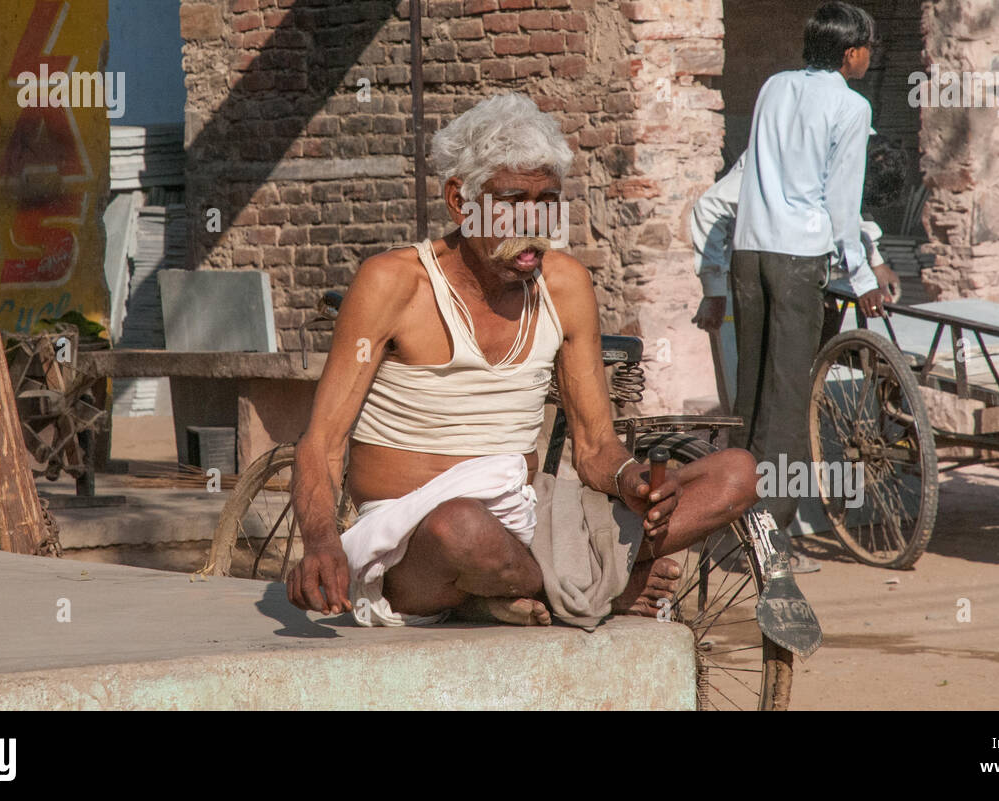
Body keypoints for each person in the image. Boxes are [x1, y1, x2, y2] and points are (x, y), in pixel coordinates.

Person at [286, 93, 760, 627]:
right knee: (459, 527)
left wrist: (629, 477)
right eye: (512, 201)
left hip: (531, 517)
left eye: (548, 200)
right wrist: (321, 541)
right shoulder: (392, 282)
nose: (534, 220)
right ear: (461, 203)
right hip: (417, 541)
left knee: (737, 473)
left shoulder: (565, 284)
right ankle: (604, 586)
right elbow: (322, 442)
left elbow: (595, 447)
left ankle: (530, 587)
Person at [729, 1, 886, 573]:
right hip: (798, 258)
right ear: (850, 53)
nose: (871, 55)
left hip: (749, 250)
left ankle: (733, 522)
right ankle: (770, 541)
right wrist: (862, 276)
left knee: (751, 390)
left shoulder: (773, 87)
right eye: (867, 45)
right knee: (788, 401)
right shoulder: (850, 107)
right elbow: (842, 205)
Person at [690, 136, 906, 413]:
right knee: (746, 388)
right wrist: (714, 290)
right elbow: (709, 208)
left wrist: (875, 260)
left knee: (795, 382)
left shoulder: (854, 143)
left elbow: (848, 212)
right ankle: (752, 448)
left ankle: (799, 425)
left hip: (797, 269)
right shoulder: (783, 167)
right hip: (744, 266)